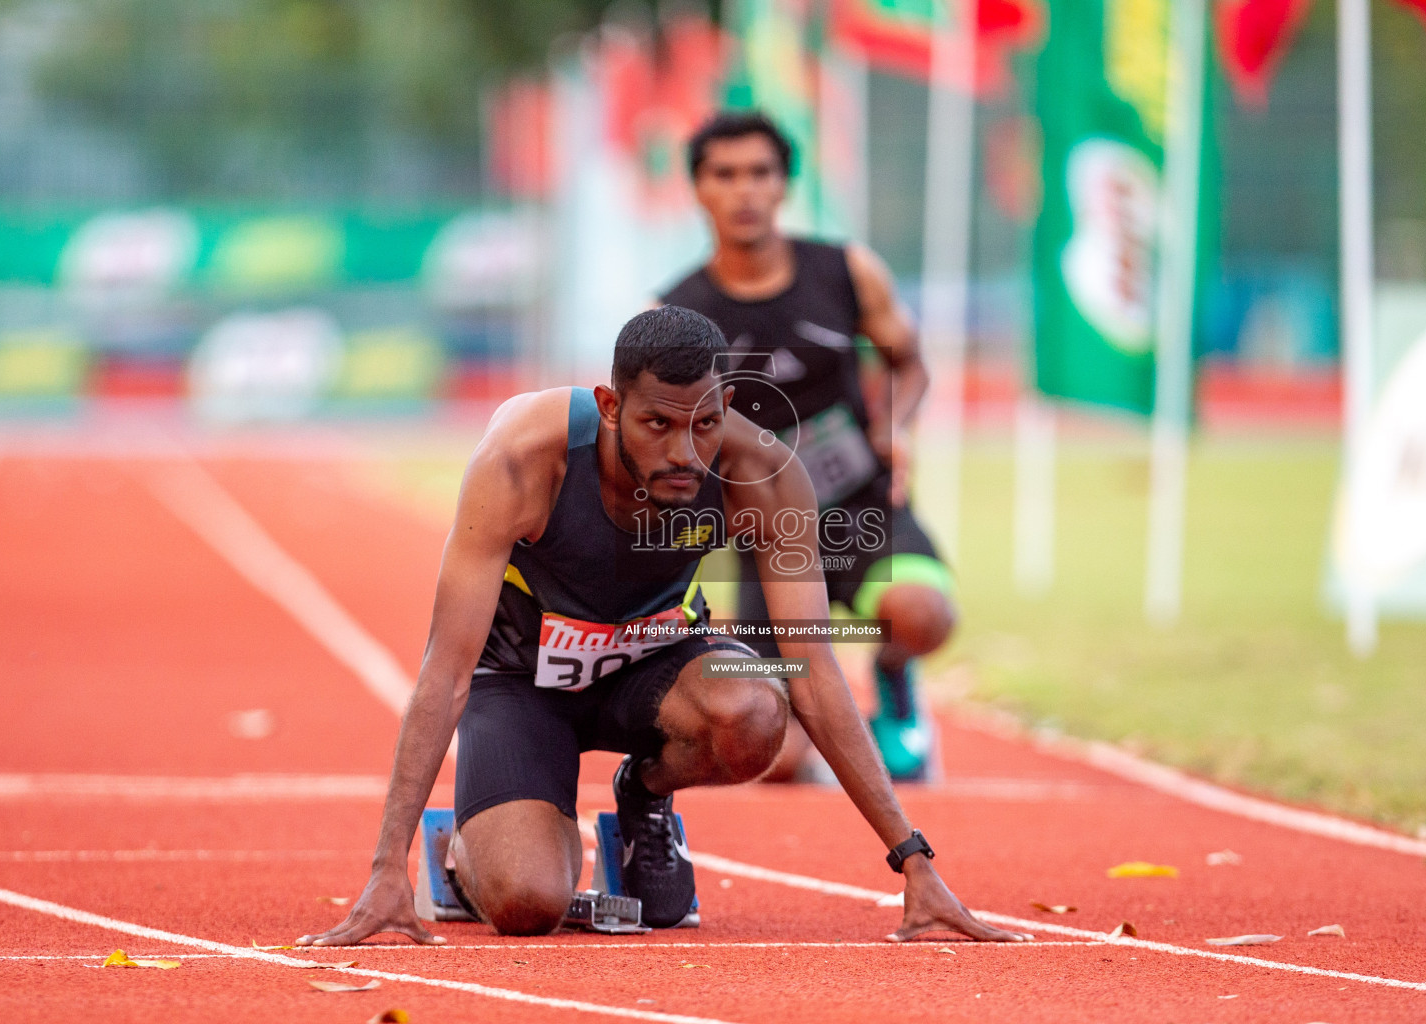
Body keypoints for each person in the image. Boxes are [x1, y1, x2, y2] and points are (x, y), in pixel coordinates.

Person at [297, 306, 1027, 943]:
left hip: (655, 663)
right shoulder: (525, 458)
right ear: (610, 405)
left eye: (705, 423)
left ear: (728, 404)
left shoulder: (763, 474)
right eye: (658, 425)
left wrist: (915, 861)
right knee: (528, 903)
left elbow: (813, 668)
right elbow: (447, 670)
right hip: (522, 681)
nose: (684, 452)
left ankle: (642, 800)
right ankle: (458, 853)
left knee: (756, 709)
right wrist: (383, 868)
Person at [661, 111, 954, 782]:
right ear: (699, 189)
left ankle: (893, 676)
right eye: (725, 175)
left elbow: (910, 363)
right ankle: (806, 717)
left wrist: (895, 426)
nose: (744, 191)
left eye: (760, 173)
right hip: (771, 543)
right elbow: (662, 436)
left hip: (862, 509)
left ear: (784, 185)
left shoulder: (845, 271)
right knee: (775, 758)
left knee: (922, 614)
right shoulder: (675, 314)